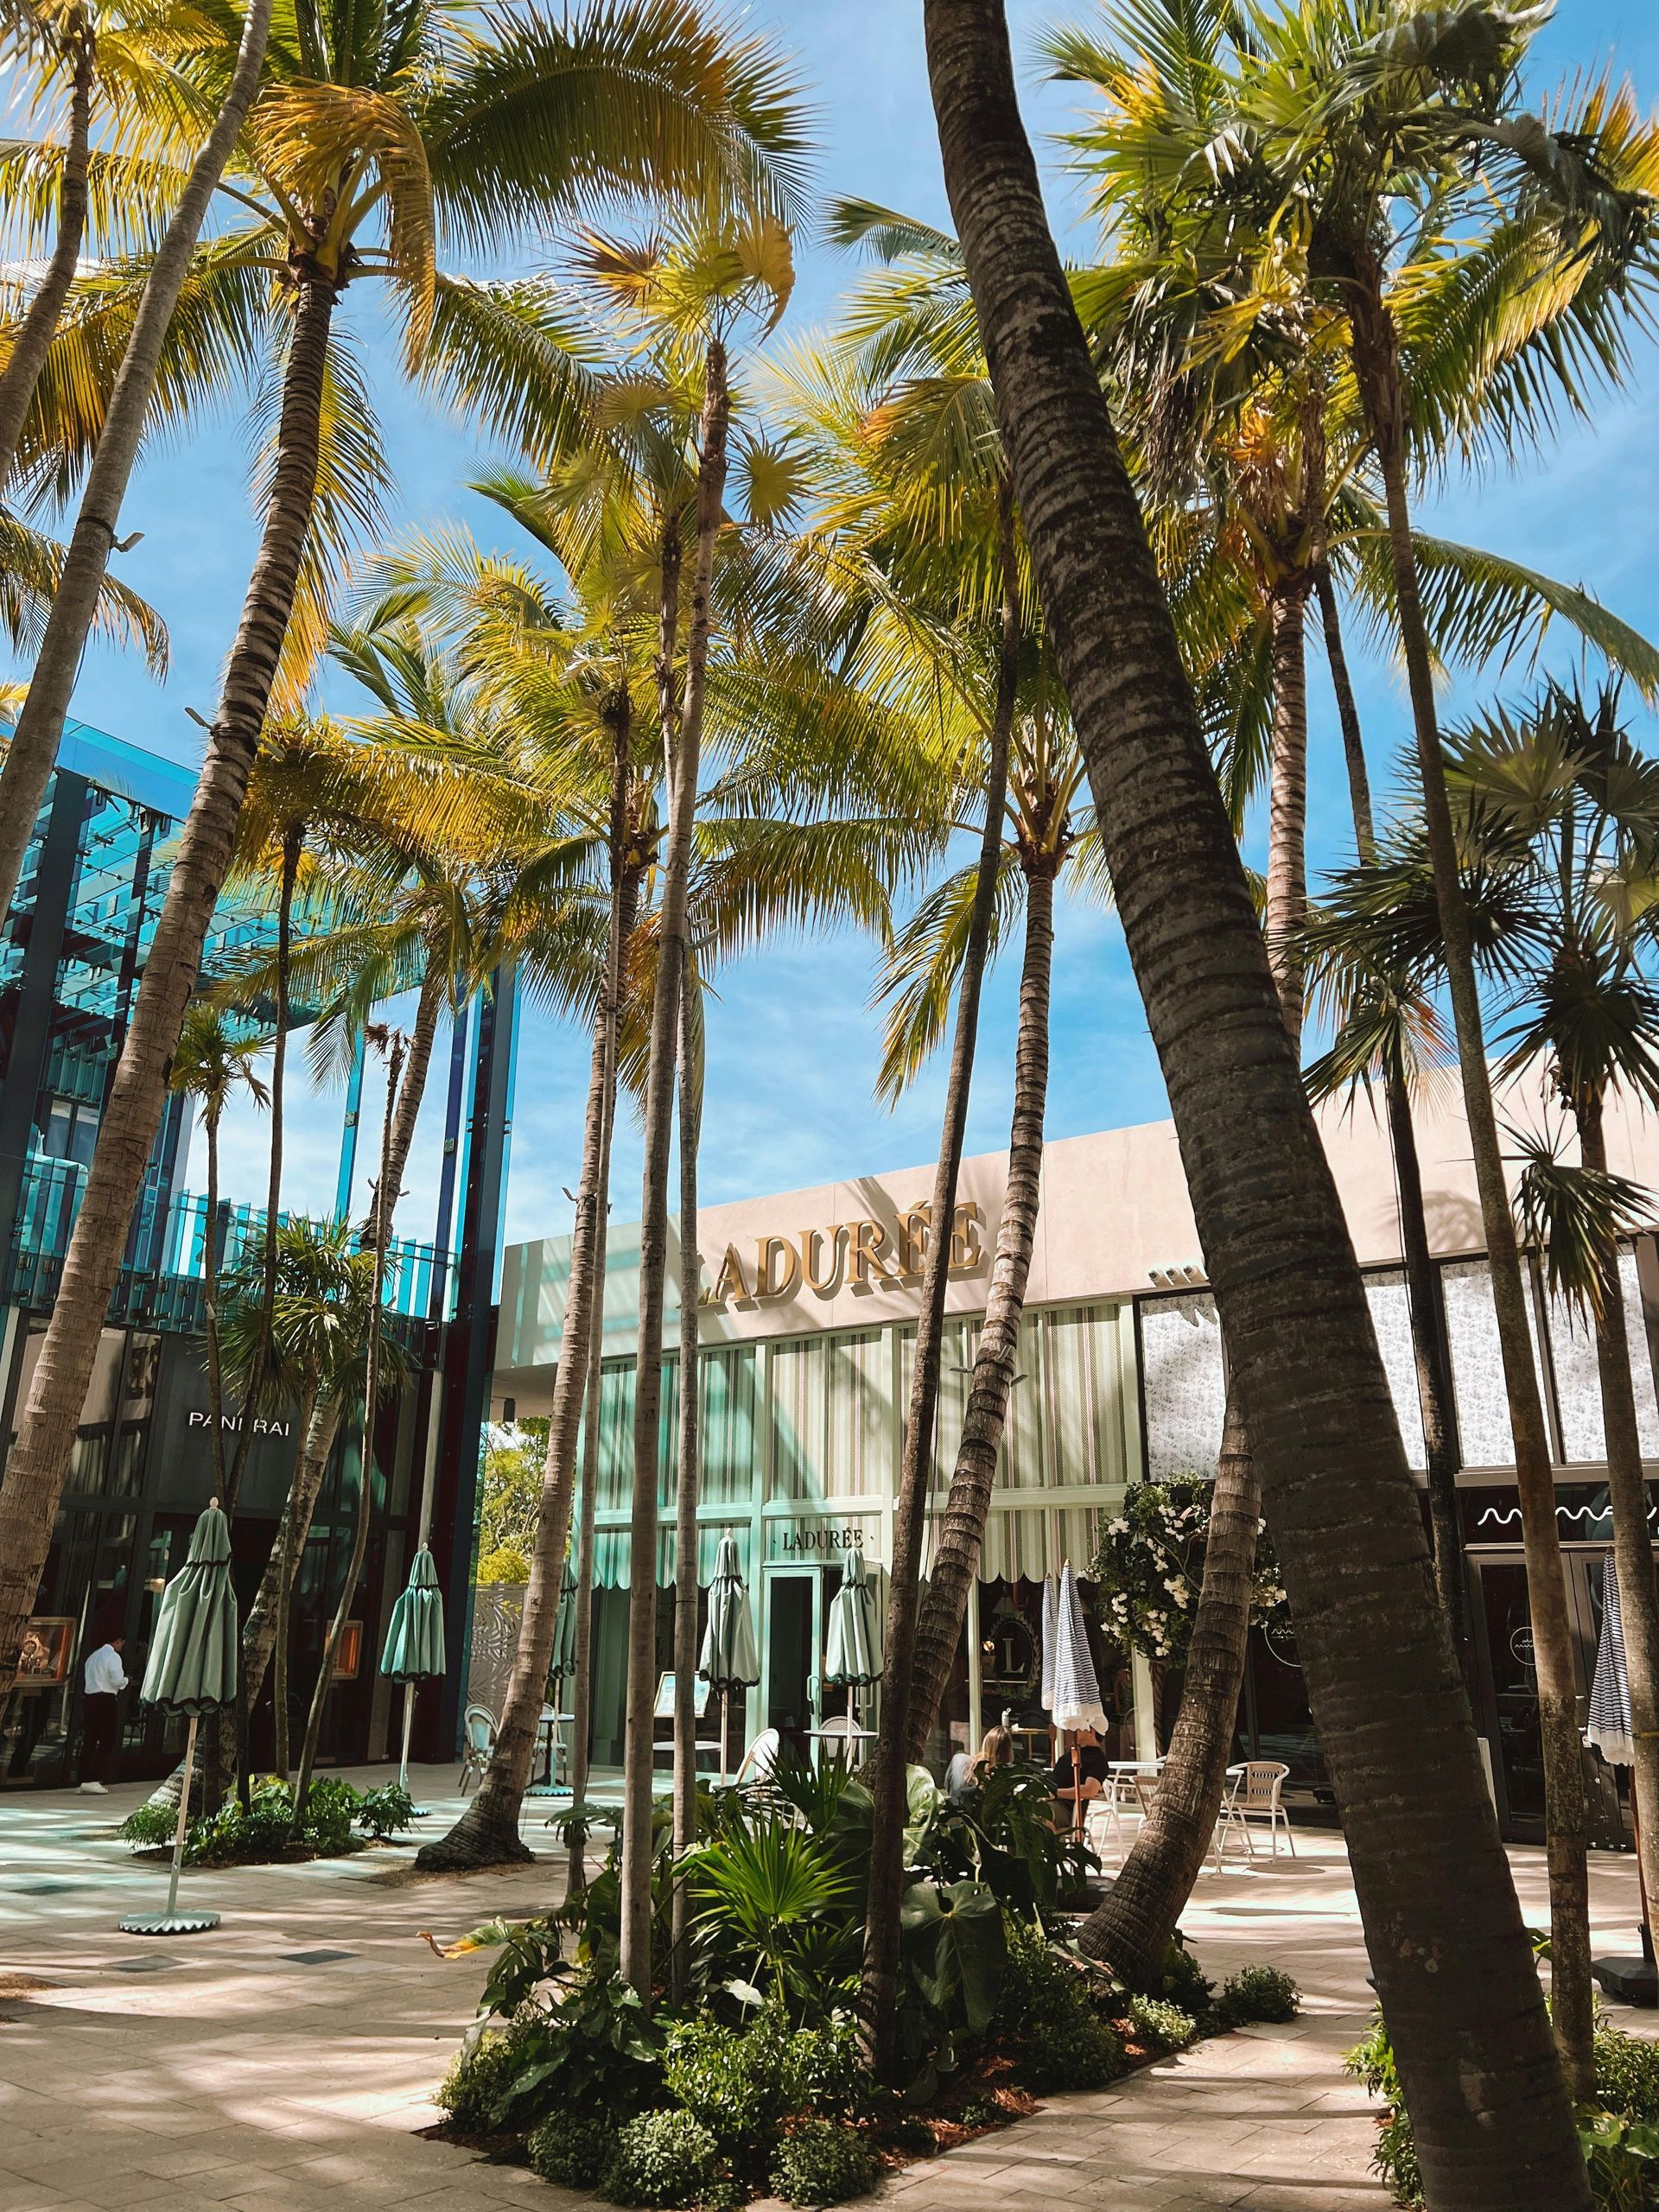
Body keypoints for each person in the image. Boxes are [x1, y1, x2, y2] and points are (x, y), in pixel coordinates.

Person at [79, 1631, 127, 1794]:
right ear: (118, 1641)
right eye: (121, 1643)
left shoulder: (93, 1657)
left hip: (90, 1699)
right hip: (105, 1699)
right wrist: (126, 1681)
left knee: (90, 1740)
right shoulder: (113, 1657)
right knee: (107, 1740)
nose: (121, 1647)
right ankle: (94, 1778)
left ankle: (84, 1778)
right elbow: (117, 1680)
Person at [1049, 1724, 1109, 1823]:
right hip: (1050, 1801)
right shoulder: (1072, 1755)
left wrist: (1055, 1793)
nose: (1075, 1730)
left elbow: (1089, 1791)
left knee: (1040, 1813)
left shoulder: (1098, 1760)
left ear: (1091, 1731)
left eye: (1079, 1728)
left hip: (1066, 1808)